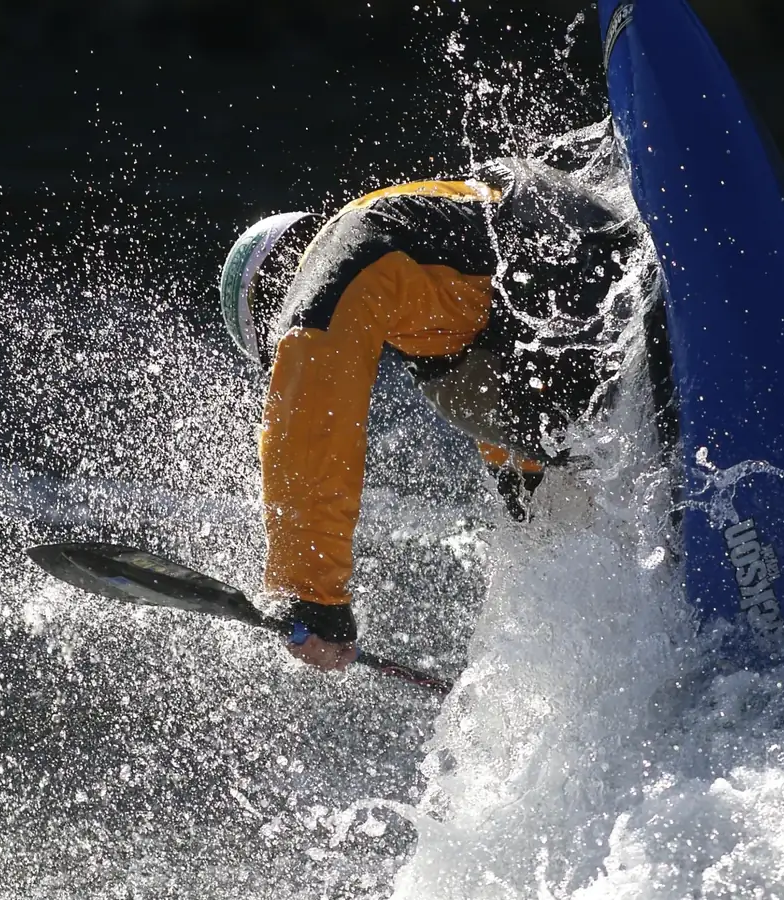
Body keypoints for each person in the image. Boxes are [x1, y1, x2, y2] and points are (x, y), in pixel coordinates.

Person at [217, 123, 671, 672]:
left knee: (456, 396)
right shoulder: (431, 284)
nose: (280, 355)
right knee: (533, 506)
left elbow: (309, 415)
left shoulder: (349, 248)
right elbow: (510, 395)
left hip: (593, 287)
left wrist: (309, 595)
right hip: (608, 315)